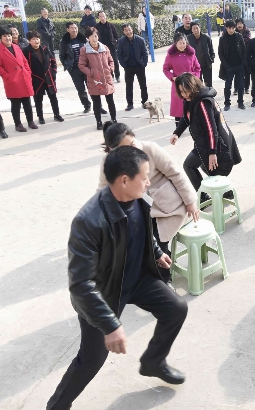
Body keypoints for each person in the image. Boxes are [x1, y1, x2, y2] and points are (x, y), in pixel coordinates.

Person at [46, 145, 189, 410]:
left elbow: (142, 231)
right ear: (124, 180)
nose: (149, 182)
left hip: (136, 279)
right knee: (91, 360)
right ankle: (56, 406)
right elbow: (81, 285)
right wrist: (110, 325)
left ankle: (152, 362)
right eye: (145, 176)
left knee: (176, 308)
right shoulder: (88, 222)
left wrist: (157, 252)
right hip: (103, 293)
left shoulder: (138, 200)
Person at [96, 122, 198, 256]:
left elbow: (176, 173)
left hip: (164, 207)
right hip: (135, 210)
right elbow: (103, 189)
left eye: (132, 143)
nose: (132, 149)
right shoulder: (109, 161)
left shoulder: (150, 148)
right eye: (126, 148)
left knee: (156, 244)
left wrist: (190, 201)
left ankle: (164, 272)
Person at [170, 73, 242, 193]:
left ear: (192, 87)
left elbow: (211, 129)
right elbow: (186, 117)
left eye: (185, 91)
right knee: (207, 167)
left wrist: (212, 153)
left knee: (189, 165)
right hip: (205, 142)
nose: (183, 94)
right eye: (181, 91)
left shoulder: (203, 103)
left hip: (215, 143)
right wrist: (177, 133)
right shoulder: (190, 99)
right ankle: (224, 193)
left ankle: (204, 197)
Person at [0, 26, 36, 133]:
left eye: (9, 35)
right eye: (5, 36)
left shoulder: (16, 47)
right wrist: (7, 77)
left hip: (23, 78)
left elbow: (24, 61)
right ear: (0, 38)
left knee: (27, 102)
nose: (8, 38)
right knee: (15, 103)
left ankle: (30, 121)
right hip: (12, 80)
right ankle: (18, 124)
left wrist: (28, 72)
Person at [78, 27, 117, 130]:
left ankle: (114, 120)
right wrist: (91, 73)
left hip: (107, 78)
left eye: (96, 36)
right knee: (96, 102)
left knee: (110, 100)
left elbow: (111, 60)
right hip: (95, 80)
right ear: (88, 38)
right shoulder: (84, 50)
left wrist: (110, 69)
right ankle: (99, 122)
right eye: (92, 37)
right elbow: (81, 65)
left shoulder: (104, 48)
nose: (94, 39)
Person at [22, 30, 64, 124]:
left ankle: (57, 114)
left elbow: (53, 60)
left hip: (49, 77)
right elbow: (25, 65)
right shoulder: (26, 51)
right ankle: (40, 117)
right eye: (34, 39)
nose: (36, 41)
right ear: (29, 41)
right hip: (36, 78)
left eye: (37, 38)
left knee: (53, 97)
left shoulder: (45, 48)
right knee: (38, 99)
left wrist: (53, 72)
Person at [163, 33, 201, 122]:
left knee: (192, 106)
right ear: (175, 43)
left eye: (184, 43)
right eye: (180, 43)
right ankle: (178, 128)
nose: (182, 45)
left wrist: (193, 78)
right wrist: (173, 77)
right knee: (179, 109)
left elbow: (197, 68)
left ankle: (194, 126)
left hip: (190, 83)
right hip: (177, 84)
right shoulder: (170, 55)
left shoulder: (191, 54)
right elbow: (165, 69)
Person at [59, 22, 94, 113]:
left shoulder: (83, 39)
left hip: (86, 67)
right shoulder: (64, 42)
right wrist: (67, 65)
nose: (74, 30)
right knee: (80, 88)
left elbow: (90, 52)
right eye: (72, 28)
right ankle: (87, 105)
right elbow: (62, 56)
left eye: (75, 27)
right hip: (74, 69)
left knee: (91, 86)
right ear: (67, 30)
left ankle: (98, 105)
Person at [117, 23, 149, 111]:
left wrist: (144, 63)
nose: (128, 31)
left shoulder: (140, 40)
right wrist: (123, 64)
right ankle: (130, 104)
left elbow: (145, 53)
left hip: (139, 66)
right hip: (128, 66)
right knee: (129, 86)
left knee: (143, 85)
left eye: (129, 29)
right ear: (123, 32)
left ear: (132, 29)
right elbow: (119, 54)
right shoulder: (121, 41)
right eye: (126, 30)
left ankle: (145, 102)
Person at [218, 20, 247, 111]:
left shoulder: (239, 36)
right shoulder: (222, 39)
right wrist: (226, 66)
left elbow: (244, 50)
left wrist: (243, 63)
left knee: (240, 86)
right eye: (229, 28)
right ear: (226, 28)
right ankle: (227, 103)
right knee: (228, 86)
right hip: (228, 67)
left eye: (232, 28)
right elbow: (220, 54)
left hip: (239, 65)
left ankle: (241, 102)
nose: (231, 30)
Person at [187, 21, 215, 88]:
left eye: (197, 28)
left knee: (208, 83)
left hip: (206, 64)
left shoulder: (206, 37)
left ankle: (209, 97)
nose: (196, 30)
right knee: (197, 83)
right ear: (191, 30)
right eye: (194, 28)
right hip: (195, 66)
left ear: (200, 28)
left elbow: (211, 50)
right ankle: (200, 97)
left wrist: (211, 59)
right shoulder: (188, 38)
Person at [95, 11, 120, 82]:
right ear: (98, 18)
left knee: (115, 61)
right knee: (106, 63)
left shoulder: (111, 25)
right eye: (101, 16)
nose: (102, 18)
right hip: (102, 48)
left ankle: (117, 75)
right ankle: (110, 76)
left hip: (111, 46)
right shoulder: (96, 27)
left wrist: (115, 41)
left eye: (103, 16)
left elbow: (116, 35)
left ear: (106, 16)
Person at [235, 18, 252, 94]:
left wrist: (239, 42)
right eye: (238, 24)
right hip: (237, 55)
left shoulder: (247, 31)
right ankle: (236, 88)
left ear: (243, 24)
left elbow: (248, 40)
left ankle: (246, 88)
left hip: (247, 55)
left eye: (240, 23)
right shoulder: (234, 31)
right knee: (237, 72)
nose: (239, 25)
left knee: (247, 72)